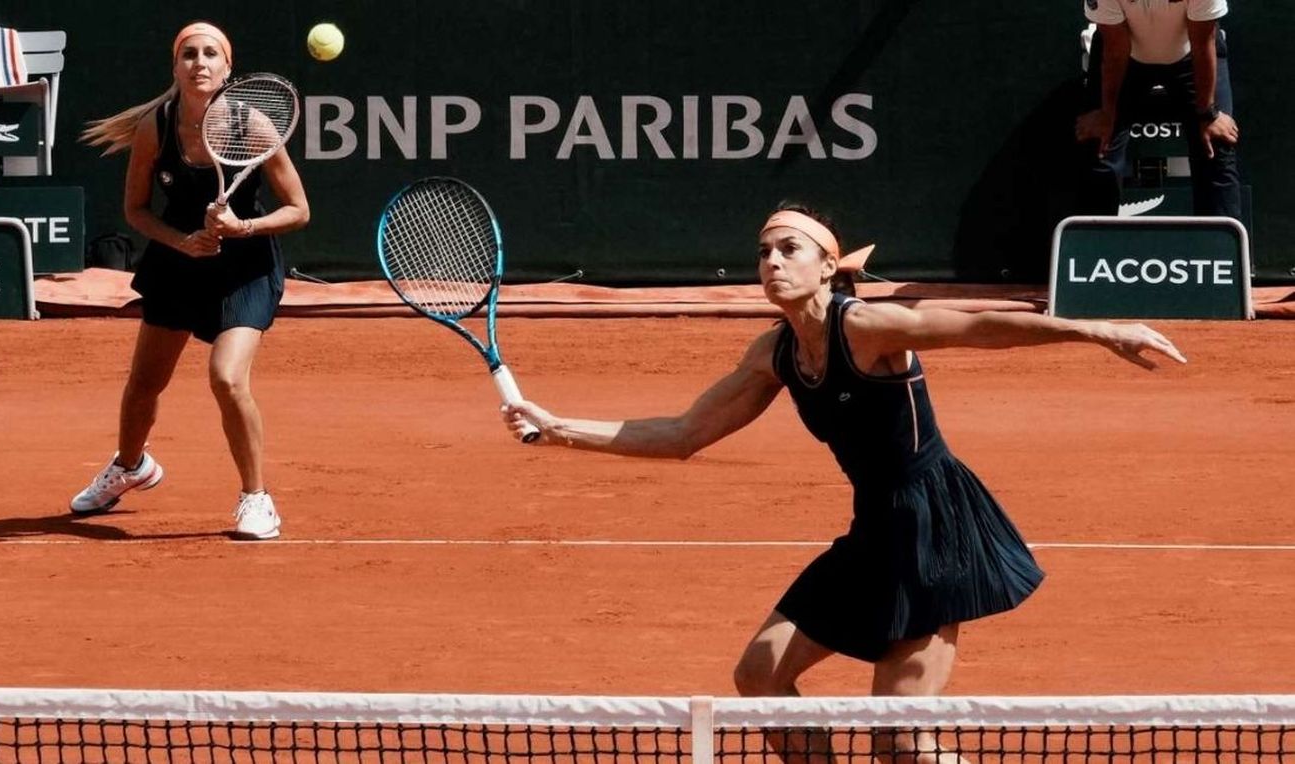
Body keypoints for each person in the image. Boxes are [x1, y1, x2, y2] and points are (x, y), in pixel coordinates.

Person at [502, 205, 1186, 761]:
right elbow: (683, 435)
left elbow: (976, 325)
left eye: (790, 249)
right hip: (873, 532)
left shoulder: (866, 327)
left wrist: (1098, 328)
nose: (772, 262)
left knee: (902, 745)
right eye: (764, 252)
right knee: (761, 677)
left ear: (828, 266)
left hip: (931, 526)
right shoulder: (774, 353)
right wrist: (557, 426)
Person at [71, 21, 310, 539]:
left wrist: (243, 226)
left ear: (227, 69)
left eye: (209, 55)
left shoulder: (255, 126)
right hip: (178, 263)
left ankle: (256, 498)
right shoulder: (156, 126)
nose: (198, 63)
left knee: (226, 377)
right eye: (188, 55)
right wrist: (181, 241)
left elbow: (298, 210)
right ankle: (131, 466)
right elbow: (136, 210)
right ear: (175, 67)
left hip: (245, 268)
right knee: (144, 384)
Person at [1075, 0, 1241, 219]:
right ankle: (1093, 247)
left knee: (1216, 146)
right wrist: (1107, 115)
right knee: (1100, 146)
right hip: (1123, 56)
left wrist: (1208, 115)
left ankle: (1220, 248)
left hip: (1193, 53)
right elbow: (1116, 49)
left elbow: (1202, 43)